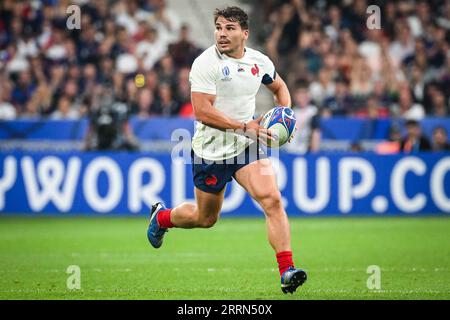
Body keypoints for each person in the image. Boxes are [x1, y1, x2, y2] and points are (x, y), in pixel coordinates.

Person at [146, 6, 307, 294]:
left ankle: (287, 270)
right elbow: (202, 112)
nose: (222, 33)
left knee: (271, 199)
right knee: (205, 219)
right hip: (211, 151)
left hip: (246, 146)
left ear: (244, 34)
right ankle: (162, 217)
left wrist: (285, 118)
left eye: (229, 28)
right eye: (219, 27)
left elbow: (280, 88)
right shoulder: (205, 64)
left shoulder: (259, 62)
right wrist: (246, 127)